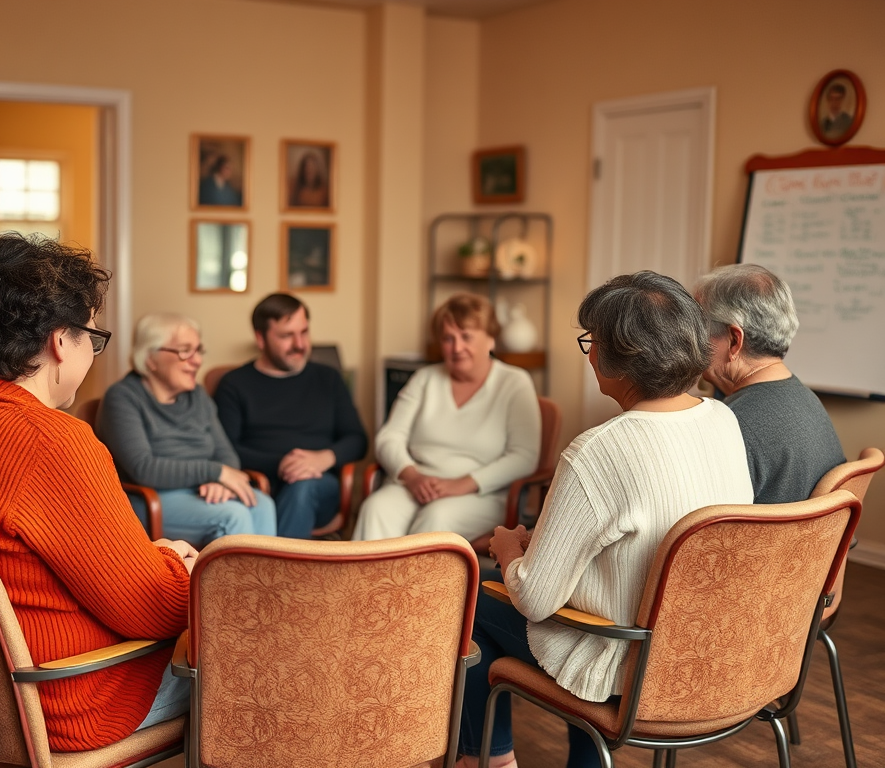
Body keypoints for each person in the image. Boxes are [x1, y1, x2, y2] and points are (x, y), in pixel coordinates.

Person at [0, 234, 195, 752]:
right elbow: (157, 609)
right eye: (93, 338)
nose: (93, 352)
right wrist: (180, 569)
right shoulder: (52, 443)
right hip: (70, 703)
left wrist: (148, 559)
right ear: (59, 340)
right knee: (260, 666)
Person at [457, 271, 754, 768]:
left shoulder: (597, 453)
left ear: (622, 358)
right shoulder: (723, 418)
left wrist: (510, 548)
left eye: (590, 341)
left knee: (470, 599)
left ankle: (488, 759)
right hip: (707, 650)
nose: (589, 352)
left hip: (625, 662)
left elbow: (534, 598)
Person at [353, 294, 540, 541]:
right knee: (376, 508)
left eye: (466, 337)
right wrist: (412, 476)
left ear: (490, 339)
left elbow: (524, 457)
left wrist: (462, 484)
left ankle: (412, 582)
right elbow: (389, 437)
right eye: (448, 338)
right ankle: (367, 582)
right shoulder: (424, 379)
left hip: (481, 494)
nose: (457, 347)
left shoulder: (515, 383)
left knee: (437, 517)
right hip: (417, 484)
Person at [96, 313, 277, 546]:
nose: (197, 361)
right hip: (150, 499)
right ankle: (235, 584)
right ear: (151, 358)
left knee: (262, 504)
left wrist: (219, 481)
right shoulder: (122, 398)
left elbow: (226, 454)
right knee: (233, 515)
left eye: (198, 350)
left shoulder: (198, 396)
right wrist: (215, 472)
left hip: (200, 493)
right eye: (185, 351)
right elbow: (143, 468)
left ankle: (264, 583)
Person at [213, 293, 368, 538]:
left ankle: (275, 572)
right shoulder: (234, 384)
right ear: (260, 338)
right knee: (288, 488)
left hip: (320, 487)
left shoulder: (328, 378)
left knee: (303, 486)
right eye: (287, 336)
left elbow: (357, 439)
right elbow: (226, 448)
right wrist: (284, 464)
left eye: (304, 332)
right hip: (260, 488)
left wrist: (324, 459)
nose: (300, 344)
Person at [694, 263, 845, 504]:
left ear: (734, 340)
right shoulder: (806, 399)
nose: (690, 339)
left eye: (697, 327)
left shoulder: (730, 425)